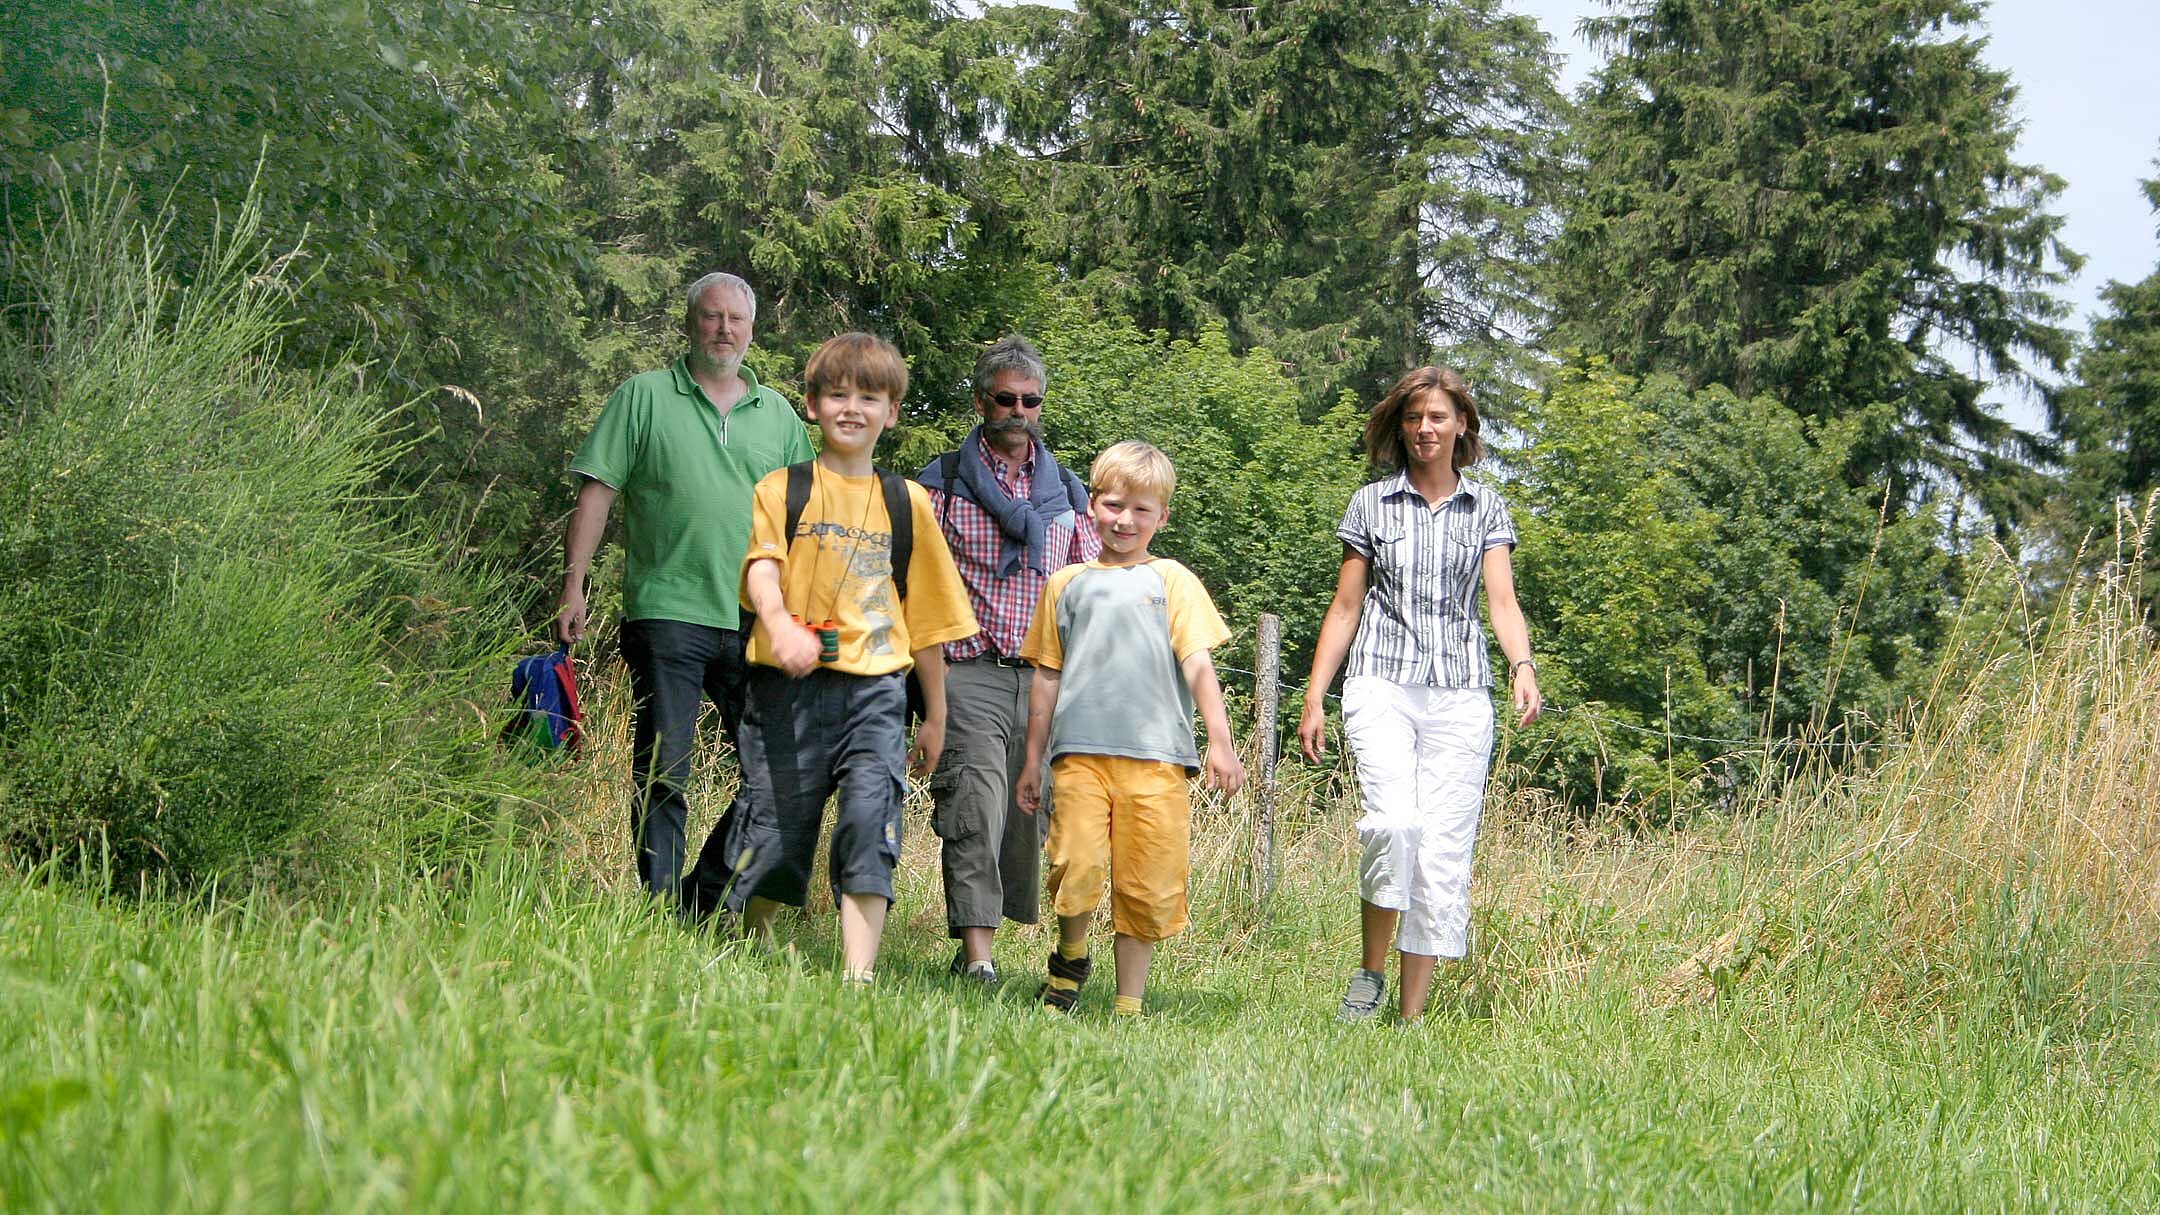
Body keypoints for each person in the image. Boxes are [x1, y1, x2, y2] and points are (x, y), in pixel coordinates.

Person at [705, 332, 978, 983]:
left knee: (869, 819)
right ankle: (756, 934)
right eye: (837, 394)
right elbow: (762, 569)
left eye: (869, 397)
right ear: (812, 405)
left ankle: (859, 979)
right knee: (778, 831)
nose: (852, 408)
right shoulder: (782, 488)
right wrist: (779, 624)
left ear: (892, 412)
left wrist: (936, 716)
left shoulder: (908, 503)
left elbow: (928, 622)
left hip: (877, 691)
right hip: (786, 686)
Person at [558, 273, 814, 909]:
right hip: (668, 609)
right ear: (691, 323)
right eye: (711, 316)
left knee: (777, 772)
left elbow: (808, 519)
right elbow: (597, 493)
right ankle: (659, 909)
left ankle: (702, 899)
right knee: (664, 769)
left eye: (736, 319)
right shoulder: (643, 397)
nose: (724, 329)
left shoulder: (779, 415)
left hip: (757, 618)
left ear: (752, 330)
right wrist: (574, 585)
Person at [1296, 366, 1542, 1024]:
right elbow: (1346, 607)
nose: (1425, 428)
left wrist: (1521, 665)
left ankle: (1409, 1018)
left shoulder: (1486, 507)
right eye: (1413, 418)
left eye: (1437, 417)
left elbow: (1502, 601)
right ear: (1399, 427)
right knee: (1394, 825)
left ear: (1461, 424)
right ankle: (1370, 974)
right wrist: (1316, 694)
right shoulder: (1372, 504)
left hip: (1460, 694)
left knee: (1441, 853)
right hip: (1381, 681)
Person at [1017, 441, 1246, 1016]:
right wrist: (1032, 760)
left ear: (1162, 517)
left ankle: (1129, 1003)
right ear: (1092, 504)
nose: (1125, 520)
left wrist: (1221, 743)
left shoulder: (1172, 580)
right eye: (1114, 505)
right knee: (1074, 862)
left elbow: (1197, 662)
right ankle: (1071, 958)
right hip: (1079, 755)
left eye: (1142, 509)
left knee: (1147, 882)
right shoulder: (1067, 583)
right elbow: (1046, 676)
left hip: (1158, 758)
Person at [916, 336, 1099, 986]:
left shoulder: (1069, 493)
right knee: (974, 801)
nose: (1018, 410)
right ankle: (979, 958)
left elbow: (1090, 584)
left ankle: (990, 937)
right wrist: (928, 681)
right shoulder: (941, 484)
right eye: (1005, 398)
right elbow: (913, 582)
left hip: (1044, 677)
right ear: (980, 402)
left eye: (1030, 400)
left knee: (1026, 814)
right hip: (969, 669)